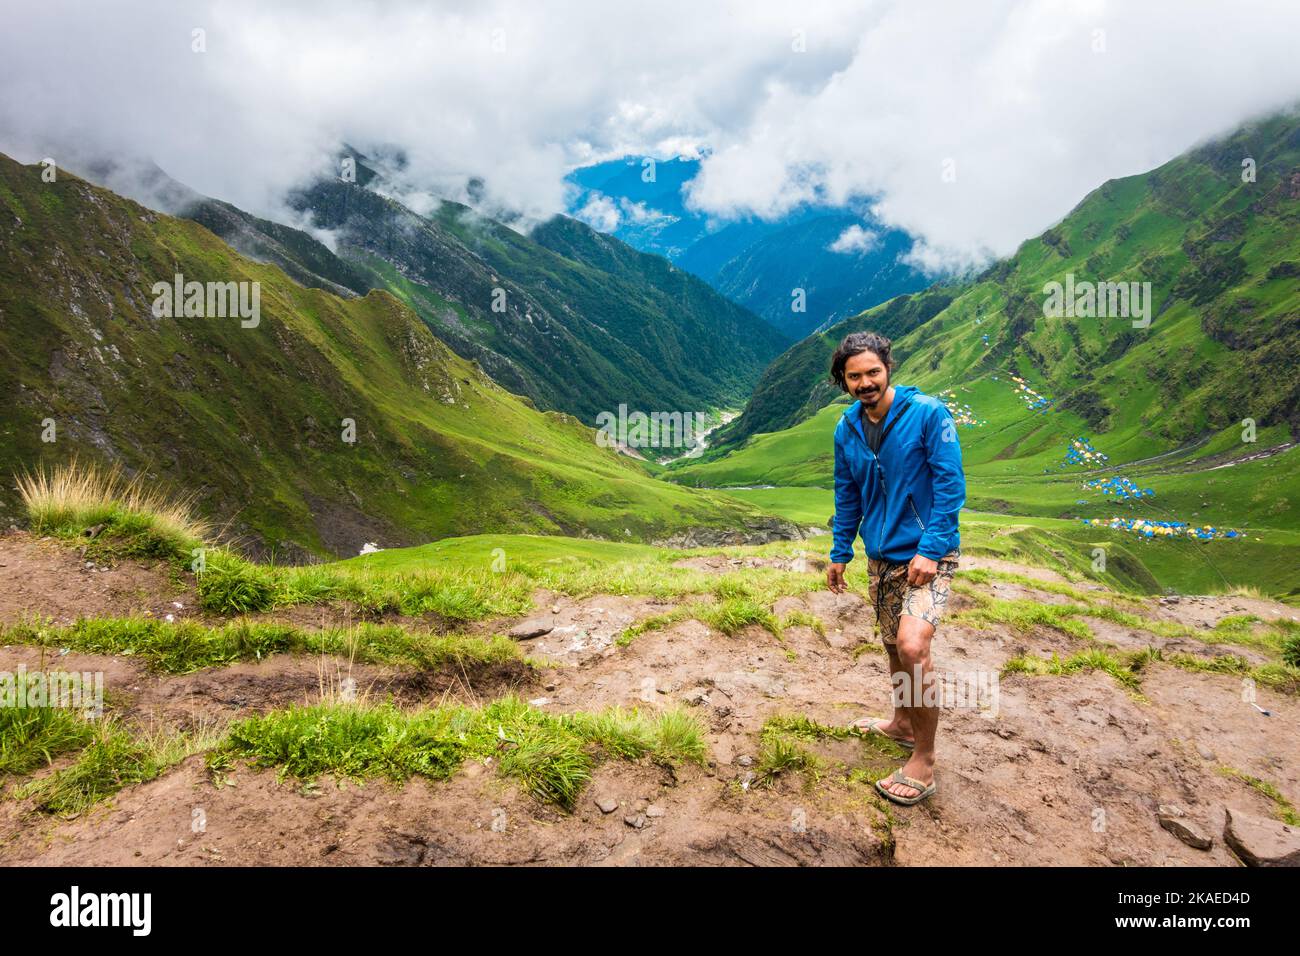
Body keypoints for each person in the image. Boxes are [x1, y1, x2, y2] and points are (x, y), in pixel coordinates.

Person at [825, 331, 965, 806]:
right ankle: (903, 722)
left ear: (888, 368)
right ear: (843, 382)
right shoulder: (847, 428)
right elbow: (848, 494)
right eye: (854, 376)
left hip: (929, 552)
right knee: (891, 645)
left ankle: (923, 759)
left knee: (912, 644)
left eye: (872, 372)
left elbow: (950, 485)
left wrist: (932, 548)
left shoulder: (928, 413)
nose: (865, 383)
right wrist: (840, 550)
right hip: (880, 554)